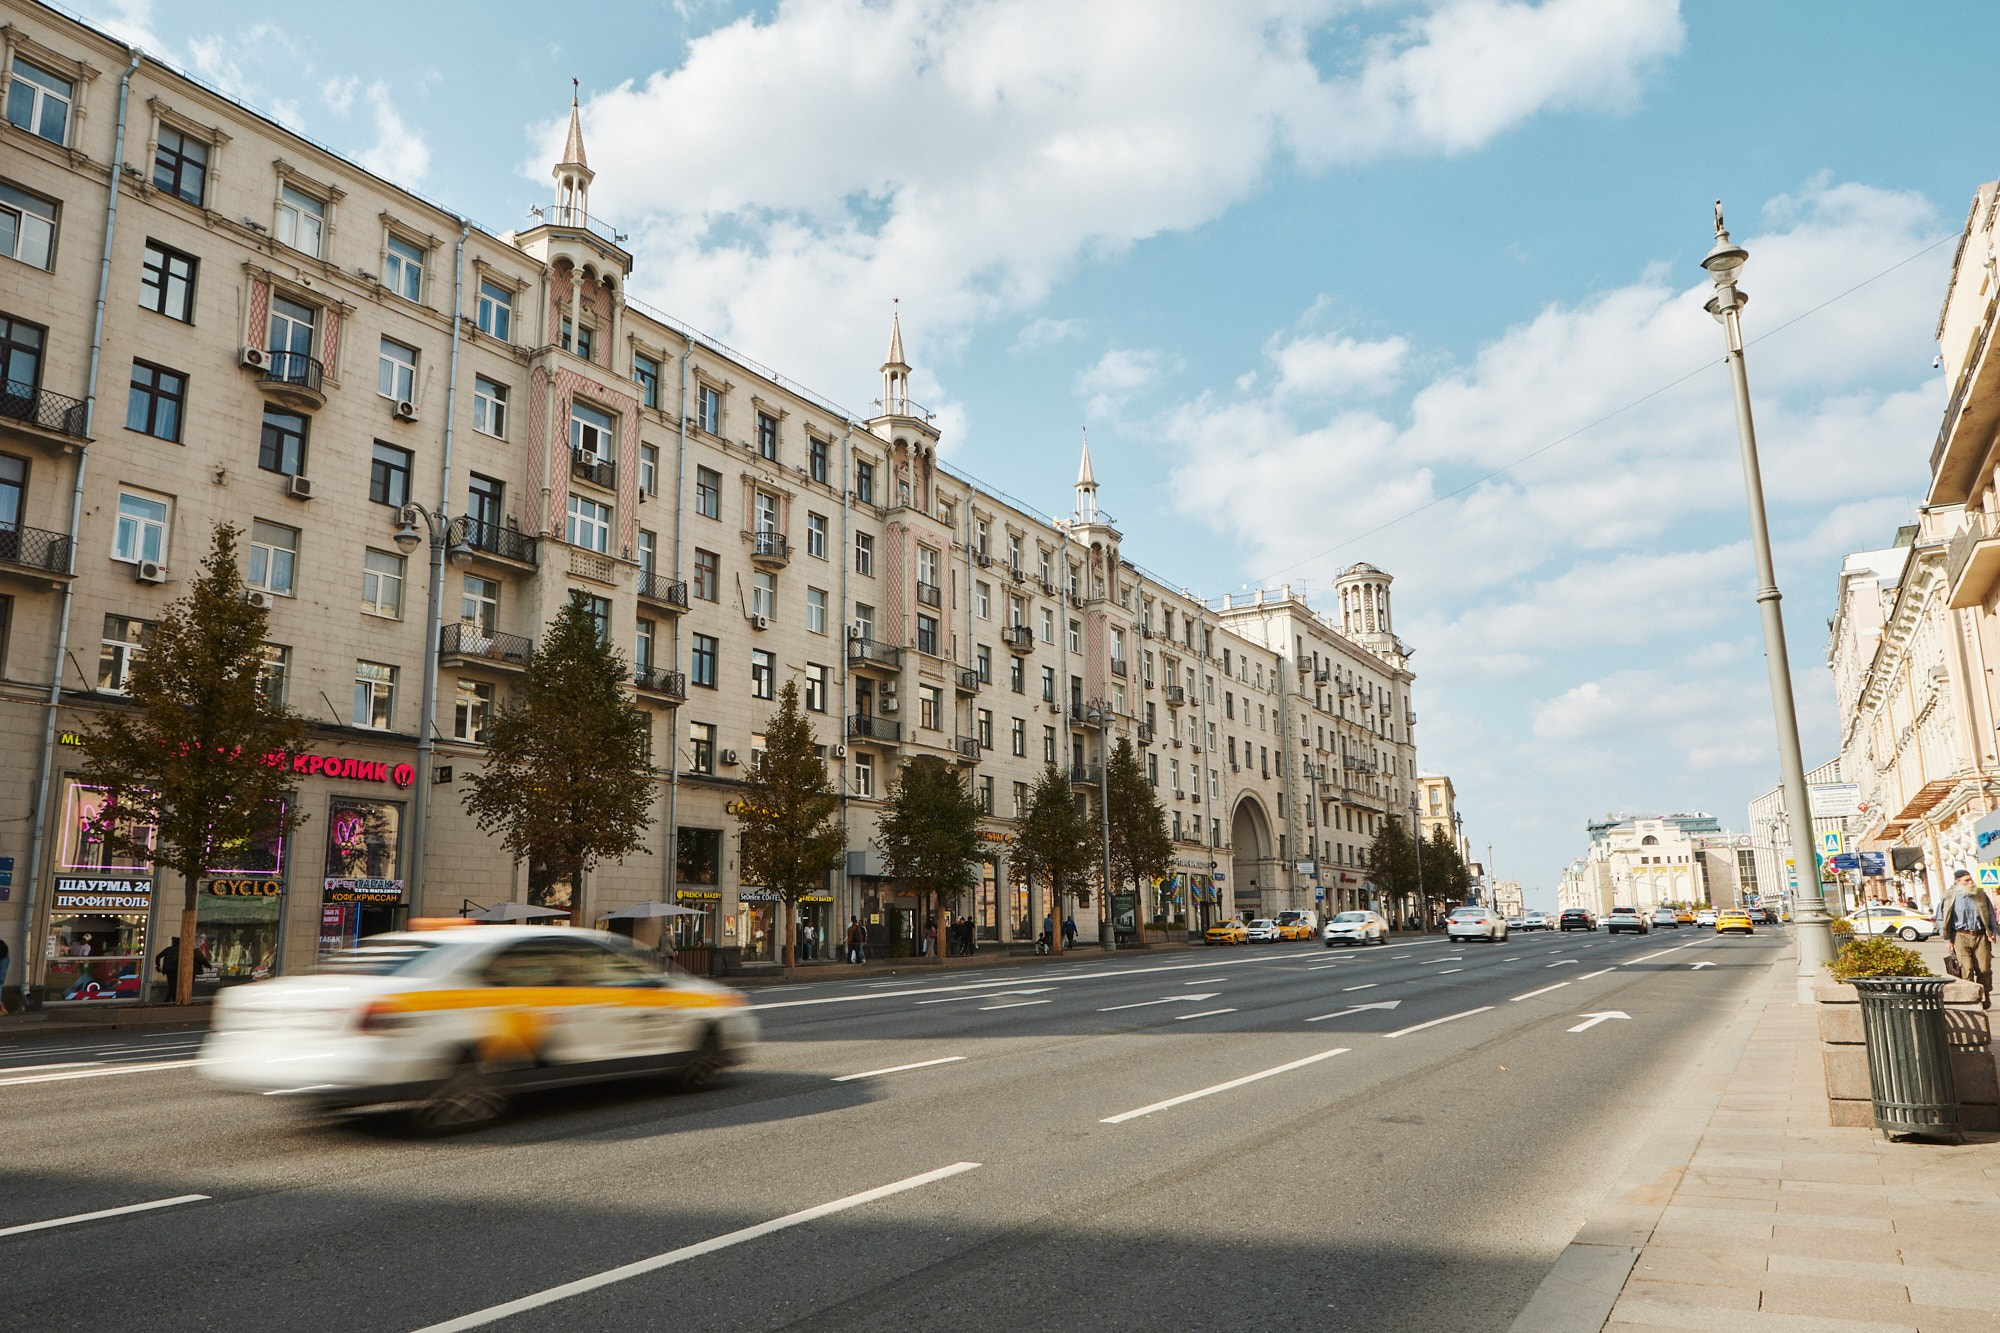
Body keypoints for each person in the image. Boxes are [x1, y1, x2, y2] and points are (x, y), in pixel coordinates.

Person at [1941, 869, 1996, 1008]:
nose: (1970, 882)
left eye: (1971, 879)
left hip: (1980, 935)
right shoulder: (1949, 896)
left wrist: (1993, 931)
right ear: (1957, 882)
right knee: (1967, 969)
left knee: (1984, 969)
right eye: (1966, 880)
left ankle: (1986, 994)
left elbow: (1990, 913)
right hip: (1959, 936)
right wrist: (1948, 940)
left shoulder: (1980, 894)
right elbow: (1941, 918)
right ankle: (1971, 999)